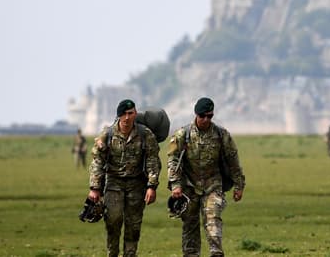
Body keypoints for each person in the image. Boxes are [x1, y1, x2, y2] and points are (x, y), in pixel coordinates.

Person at [167, 97, 245, 257]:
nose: (206, 119)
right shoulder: (183, 134)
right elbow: (173, 160)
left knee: (212, 219)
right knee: (190, 223)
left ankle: (216, 253)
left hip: (213, 184)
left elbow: (233, 160)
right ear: (196, 114)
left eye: (210, 116)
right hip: (189, 185)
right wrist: (175, 184)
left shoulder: (221, 135)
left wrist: (239, 185)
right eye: (203, 116)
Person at [87, 99, 161, 257]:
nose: (127, 117)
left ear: (135, 114)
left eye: (130, 113)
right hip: (114, 183)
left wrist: (151, 186)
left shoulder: (145, 134)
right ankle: (112, 253)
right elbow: (97, 162)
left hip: (137, 184)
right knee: (113, 220)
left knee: (133, 225)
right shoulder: (107, 135)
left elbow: (153, 160)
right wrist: (95, 188)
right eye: (124, 114)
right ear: (119, 116)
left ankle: (130, 254)